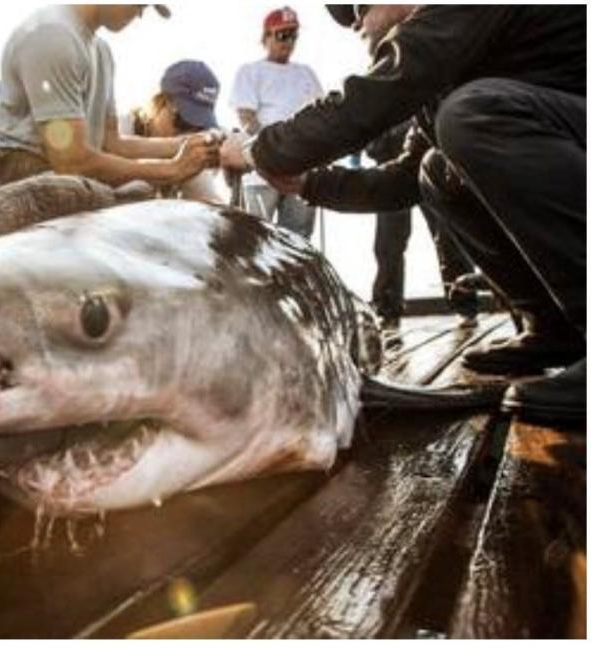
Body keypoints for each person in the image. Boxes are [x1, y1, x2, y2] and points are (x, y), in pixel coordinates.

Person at [220, 5, 585, 424]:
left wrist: (257, 149)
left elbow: (379, 91)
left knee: (473, 116)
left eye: (360, 7)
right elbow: (404, 180)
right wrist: (310, 183)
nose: (356, 24)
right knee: (436, 169)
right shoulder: (447, 76)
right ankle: (553, 327)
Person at [0, 5, 219, 189]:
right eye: (139, 4)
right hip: (17, 173)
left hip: (64, 176)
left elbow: (112, 144)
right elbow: (71, 162)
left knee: (138, 203)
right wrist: (171, 169)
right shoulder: (52, 36)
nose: (140, 14)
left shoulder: (102, 53)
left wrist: (194, 146)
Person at [366, 121, 478, 333]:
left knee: (448, 237)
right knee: (388, 244)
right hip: (389, 162)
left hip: (429, 160)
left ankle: (465, 303)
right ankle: (387, 311)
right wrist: (376, 146)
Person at [228, 6, 323, 237]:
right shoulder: (250, 71)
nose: (288, 41)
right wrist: (274, 150)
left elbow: (321, 114)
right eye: (282, 35)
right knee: (254, 240)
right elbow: (246, 117)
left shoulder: (307, 73)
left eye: (293, 35)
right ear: (266, 37)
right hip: (261, 170)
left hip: (301, 168)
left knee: (299, 241)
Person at [119, 60, 227, 203]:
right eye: (184, 122)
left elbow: (208, 201)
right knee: (139, 189)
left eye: (198, 127)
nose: (188, 134)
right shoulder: (121, 128)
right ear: (162, 102)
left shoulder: (190, 149)